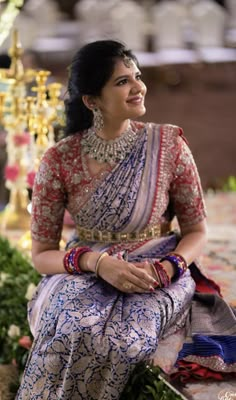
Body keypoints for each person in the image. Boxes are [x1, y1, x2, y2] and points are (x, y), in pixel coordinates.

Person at [16, 40, 236, 399]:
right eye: (122, 82)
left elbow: (196, 230)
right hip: (85, 265)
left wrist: (169, 267)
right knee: (72, 328)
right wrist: (96, 263)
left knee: (127, 342)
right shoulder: (59, 160)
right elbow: (41, 254)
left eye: (137, 76)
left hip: (156, 267)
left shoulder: (168, 145)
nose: (138, 87)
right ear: (91, 100)